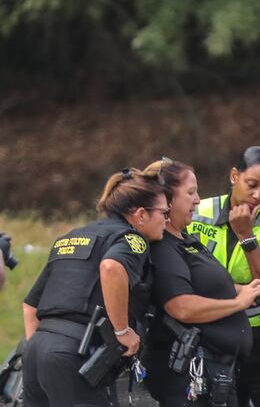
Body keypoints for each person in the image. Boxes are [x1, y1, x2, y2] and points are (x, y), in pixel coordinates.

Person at [141, 158, 260, 406]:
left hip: (217, 373)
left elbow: (205, 286)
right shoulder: (164, 246)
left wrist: (249, 289)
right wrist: (239, 302)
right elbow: (181, 306)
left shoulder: (185, 239)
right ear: (167, 197)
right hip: (190, 374)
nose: (198, 200)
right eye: (191, 192)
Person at [21, 167, 168, 406]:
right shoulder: (132, 239)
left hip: (36, 351)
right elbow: (111, 267)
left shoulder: (71, 237)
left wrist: (40, 352)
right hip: (75, 355)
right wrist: (122, 331)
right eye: (164, 212)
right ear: (141, 214)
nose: (167, 220)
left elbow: (29, 306)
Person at [187, 146, 260, 406]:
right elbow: (186, 281)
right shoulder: (197, 213)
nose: (258, 196)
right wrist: (252, 283)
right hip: (214, 339)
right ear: (234, 176)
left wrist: (247, 237)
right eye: (251, 185)